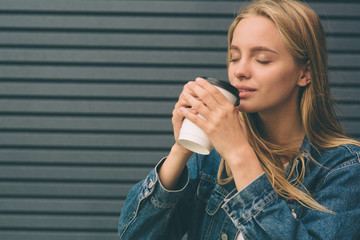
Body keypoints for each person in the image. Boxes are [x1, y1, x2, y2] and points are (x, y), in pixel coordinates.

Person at [118, 0, 360, 239]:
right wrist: (182, 147)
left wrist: (239, 153)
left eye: (262, 59)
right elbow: (135, 235)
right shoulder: (211, 157)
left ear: (304, 72)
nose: (240, 71)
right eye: (234, 57)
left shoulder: (343, 169)